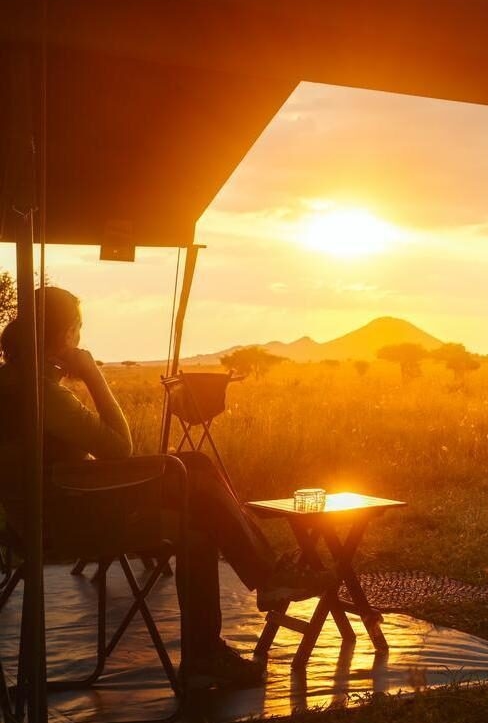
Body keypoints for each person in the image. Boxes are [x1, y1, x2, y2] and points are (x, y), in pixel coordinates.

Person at [0, 286, 331, 688]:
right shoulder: (42, 393)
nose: (80, 340)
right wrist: (92, 374)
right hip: (68, 521)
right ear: (64, 334)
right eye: (77, 329)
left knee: (195, 526)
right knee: (191, 465)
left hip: (37, 517)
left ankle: (208, 652)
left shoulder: (12, 381)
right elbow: (119, 449)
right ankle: (263, 580)